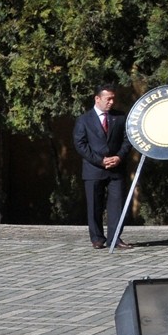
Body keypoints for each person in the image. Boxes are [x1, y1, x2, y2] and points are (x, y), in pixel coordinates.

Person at [73, 84, 132, 250]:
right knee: (94, 206)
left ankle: (115, 238)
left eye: (113, 99)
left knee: (117, 206)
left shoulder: (120, 117)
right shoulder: (84, 120)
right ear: (97, 99)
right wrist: (100, 161)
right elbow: (80, 144)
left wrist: (119, 157)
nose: (111, 102)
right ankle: (97, 238)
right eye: (108, 99)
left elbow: (128, 140)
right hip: (94, 169)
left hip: (116, 169)